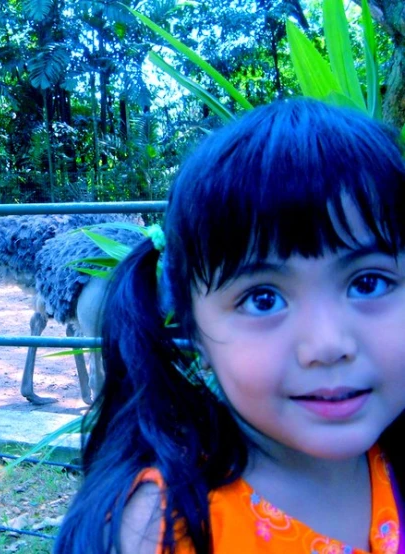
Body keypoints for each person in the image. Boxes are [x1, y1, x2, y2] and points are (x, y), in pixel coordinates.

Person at [54, 98, 405, 553]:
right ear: (194, 331)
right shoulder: (162, 532)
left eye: (369, 283)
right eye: (263, 299)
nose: (328, 344)